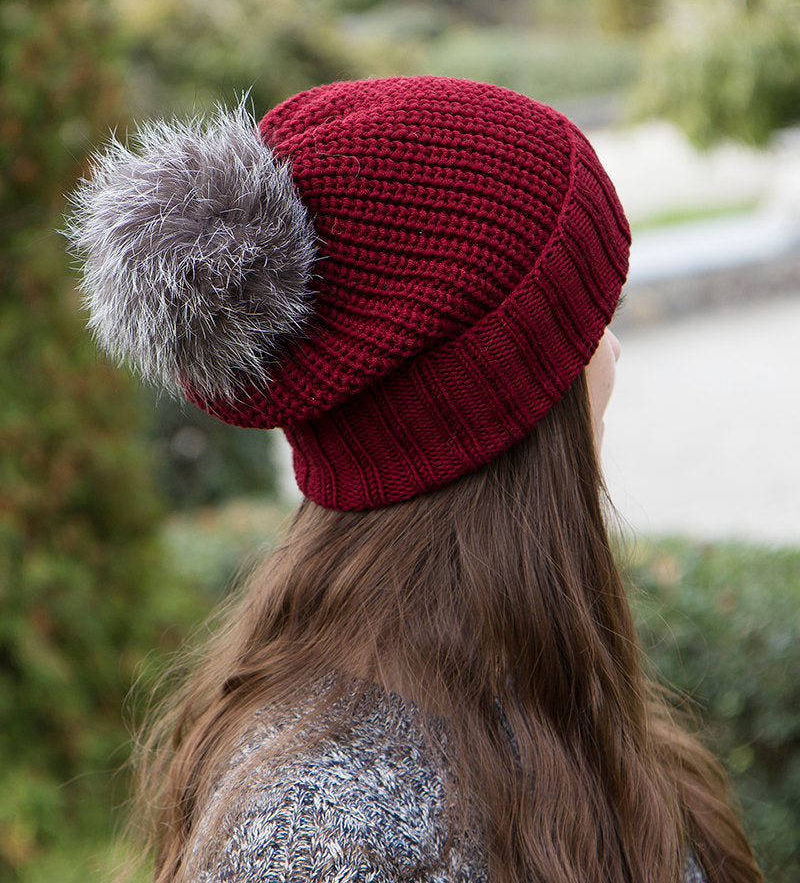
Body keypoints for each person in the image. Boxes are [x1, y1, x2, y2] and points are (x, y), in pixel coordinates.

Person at [68, 77, 762, 883]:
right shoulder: (324, 834)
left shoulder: (525, 692)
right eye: (588, 324)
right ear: (494, 400)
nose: (610, 354)